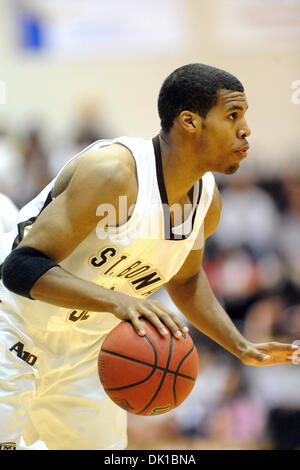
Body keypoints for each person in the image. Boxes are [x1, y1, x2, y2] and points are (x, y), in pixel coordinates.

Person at [0, 64, 298, 451]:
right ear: (189, 122)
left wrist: (240, 345)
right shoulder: (114, 173)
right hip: (16, 328)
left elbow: (186, 281)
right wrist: (120, 301)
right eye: (232, 115)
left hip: (87, 353)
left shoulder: (207, 203)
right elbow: (20, 269)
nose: (246, 129)